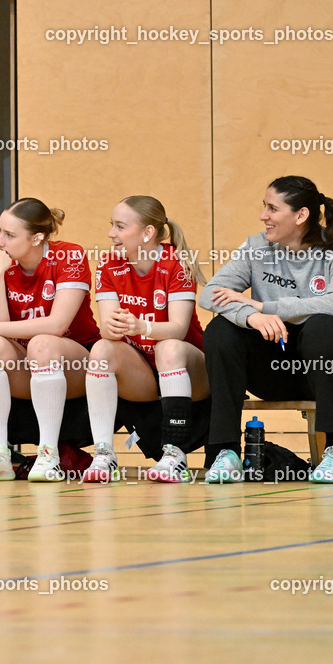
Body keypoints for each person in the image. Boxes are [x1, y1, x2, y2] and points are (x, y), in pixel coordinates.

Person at [200, 176, 333, 484]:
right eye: (264, 207)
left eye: (272, 208)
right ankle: (225, 452)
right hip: (273, 366)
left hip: (324, 369)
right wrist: (250, 316)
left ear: (300, 216)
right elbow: (211, 293)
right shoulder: (257, 246)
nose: (264, 216)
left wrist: (266, 308)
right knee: (221, 329)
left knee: (323, 326)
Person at [0, 198, 100, 482]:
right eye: (0, 231)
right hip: (26, 360)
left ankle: (49, 456)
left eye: (9, 235)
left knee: (42, 342)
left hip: (76, 360)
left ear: (37, 238)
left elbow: (58, 324)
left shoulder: (69, 256)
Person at [84, 196, 208, 483]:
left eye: (119, 226)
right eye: (111, 225)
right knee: (102, 349)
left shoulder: (175, 262)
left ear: (147, 232)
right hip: (143, 371)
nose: (111, 234)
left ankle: (175, 455)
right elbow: (106, 328)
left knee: (168, 347)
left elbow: (178, 328)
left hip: (192, 370)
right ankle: (103, 455)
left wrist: (141, 325)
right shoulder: (108, 264)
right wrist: (112, 328)